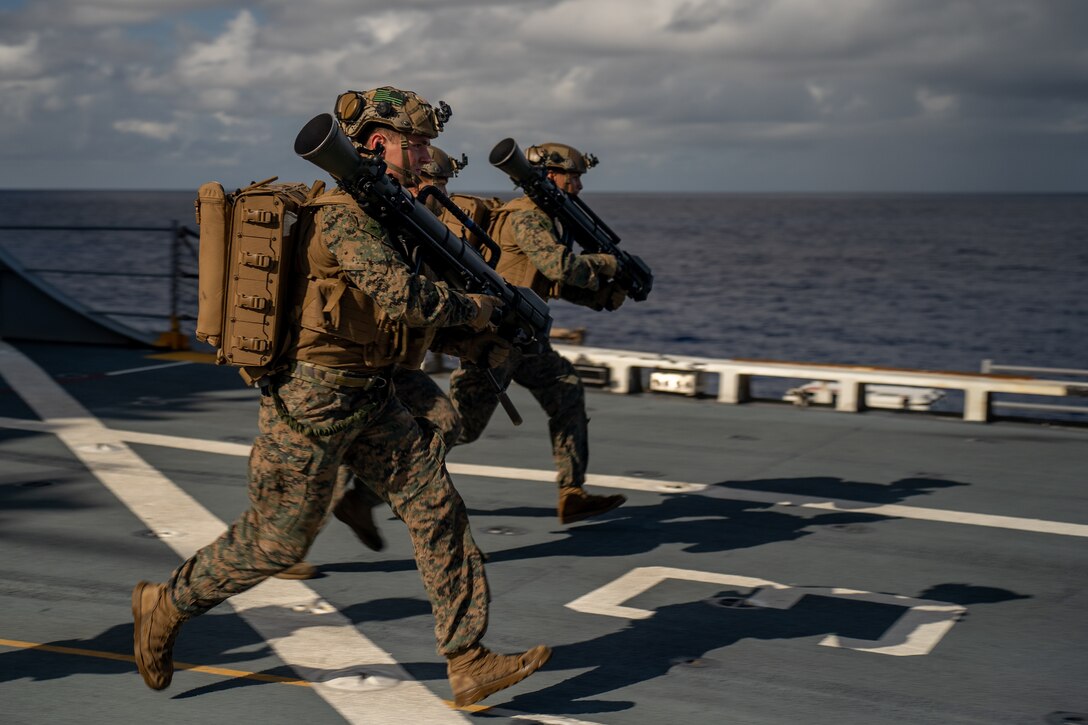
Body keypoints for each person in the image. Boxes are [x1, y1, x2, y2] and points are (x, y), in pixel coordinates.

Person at [131, 86, 550, 708]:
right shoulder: (345, 215)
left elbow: (411, 315)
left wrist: (480, 329)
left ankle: (467, 661)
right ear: (380, 144)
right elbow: (404, 297)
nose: (426, 154)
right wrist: (480, 307)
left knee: (436, 507)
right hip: (311, 402)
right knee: (276, 543)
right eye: (418, 144)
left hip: (374, 394)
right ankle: (165, 604)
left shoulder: (390, 214)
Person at [448, 142, 628, 524]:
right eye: (572, 177)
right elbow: (561, 267)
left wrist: (603, 296)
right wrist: (607, 263)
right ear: (551, 176)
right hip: (496, 339)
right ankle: (366, 486)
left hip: (524, 338)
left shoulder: (546, 217)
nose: (577, 186)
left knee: (566, 391)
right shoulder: (528, 217)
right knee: (458, 427)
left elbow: (549, 281)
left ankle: (572, 491)